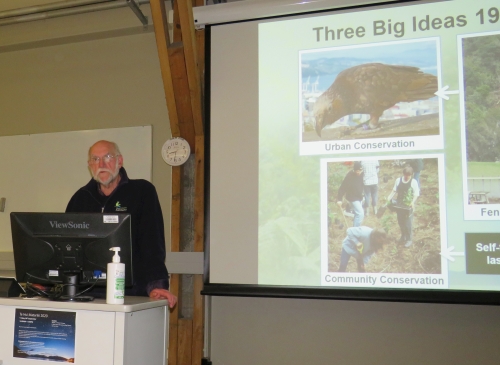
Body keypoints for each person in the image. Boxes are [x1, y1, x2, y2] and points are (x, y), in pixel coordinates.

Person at [66, 140, 177, 308]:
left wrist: (157, 286)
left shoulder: (142, 192)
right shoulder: (80, 199)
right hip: (88, 295)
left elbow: (152, 243)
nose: (101, 164)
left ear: (120, 161)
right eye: (95, 159)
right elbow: (66, 246)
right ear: (90, 165)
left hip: (132, 294)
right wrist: (45, 283)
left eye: (107, 157)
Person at [386, 166, 420, 248]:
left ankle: (409, 239)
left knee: (408, 223)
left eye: (408, 175)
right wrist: (388, 198)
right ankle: (403, 236)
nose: (407, 176)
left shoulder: (413, 182)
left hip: (408, 206)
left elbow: (416, 194)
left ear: (411, 175)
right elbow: (394, 190)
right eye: (405, 175)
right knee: (400, 221)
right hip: (399, 204)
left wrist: (412, 202)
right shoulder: (398, 180)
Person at [337, 161, 364, 227]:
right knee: (360, 213)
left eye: (359, 171)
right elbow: (342, 187)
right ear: (354, 170)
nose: (358, 172)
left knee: (357, 214)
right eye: (357, 171)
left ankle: (355, 229)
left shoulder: (362, 174)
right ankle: (355, 231)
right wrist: (339, 199)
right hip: (352, 197)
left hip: (359, 197)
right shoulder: (349, 176)